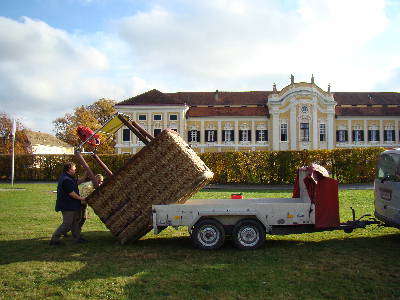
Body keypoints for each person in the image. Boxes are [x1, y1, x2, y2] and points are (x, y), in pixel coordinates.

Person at [50, 162, 89, 245]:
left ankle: (77, 238)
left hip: (72, 205)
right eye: (74, 168)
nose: (75, 170)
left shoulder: (68, 177)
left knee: (75, 222)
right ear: (69, 169)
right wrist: (82, 198)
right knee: (67, 223)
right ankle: (54, 239)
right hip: (67, 205)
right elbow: (71, 193)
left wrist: (86, 174)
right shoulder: (66, 180)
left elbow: (78, 182)